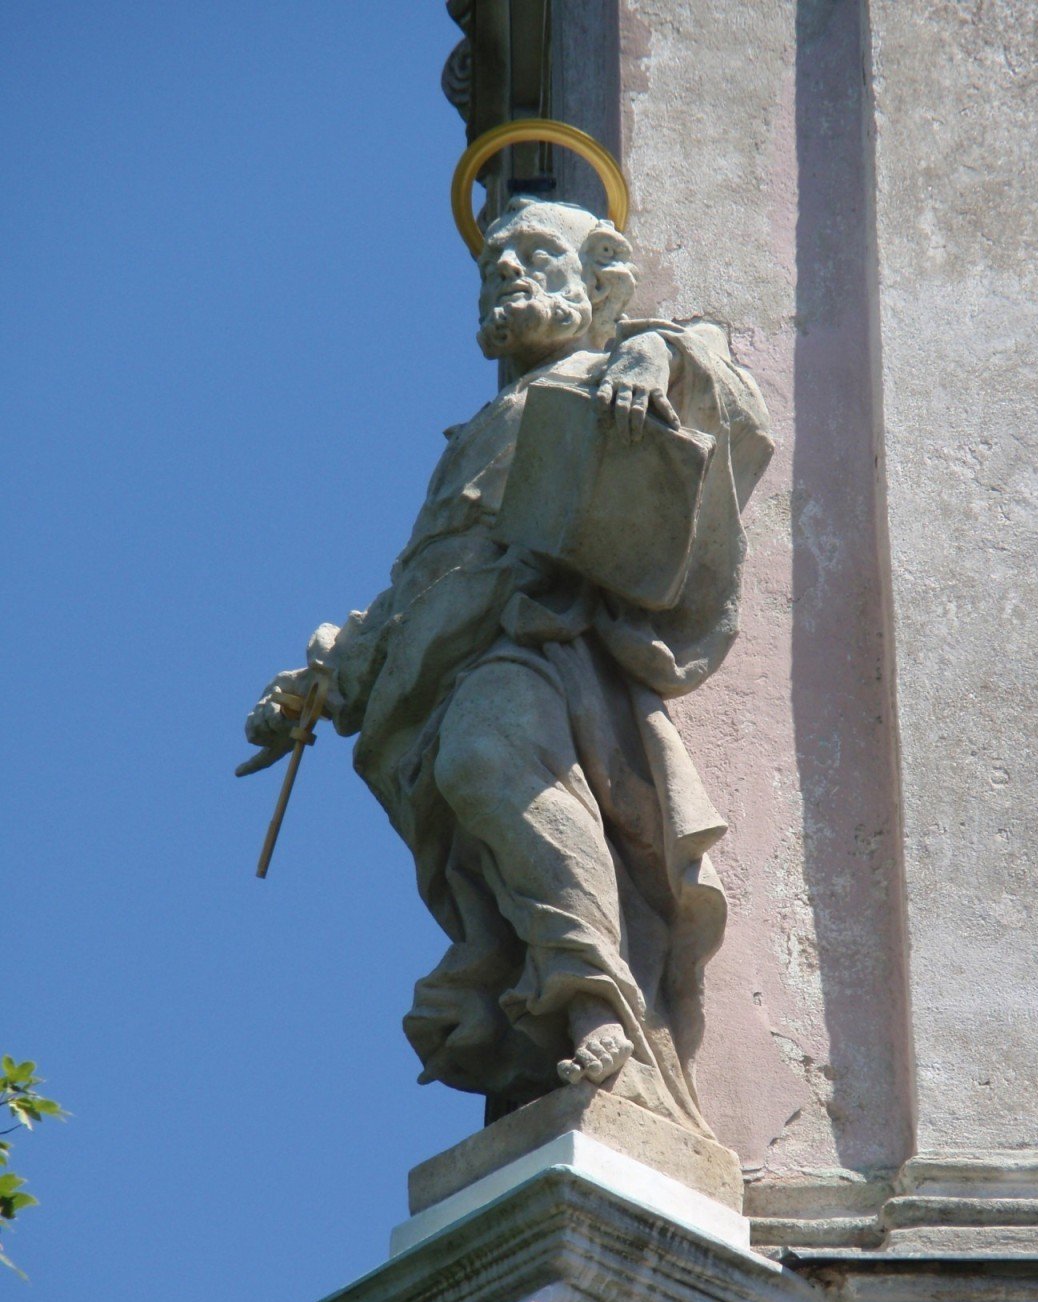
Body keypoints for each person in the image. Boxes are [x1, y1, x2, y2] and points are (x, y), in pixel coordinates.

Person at [239, 197, 772, 1135]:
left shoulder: (615, 364)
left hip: (531, 642)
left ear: (600, 286)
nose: (509, 278)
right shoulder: (475, 434)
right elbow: (421, 578)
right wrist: (324, 679)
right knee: (477, 846)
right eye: (496, 267)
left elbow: (720, 377)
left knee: (484, 764)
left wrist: (657, 351)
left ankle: (600, 1005)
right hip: (430, 671)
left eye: (536, 259)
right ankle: (554, 999)